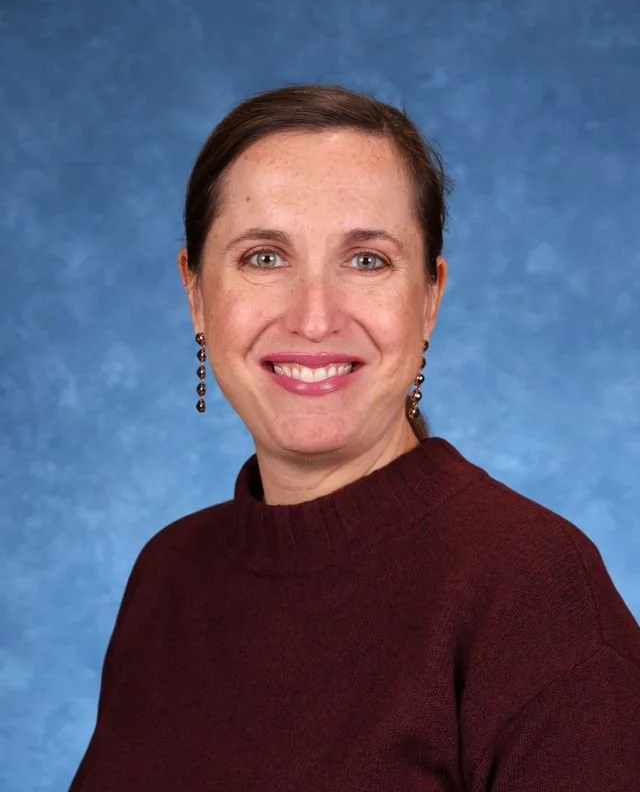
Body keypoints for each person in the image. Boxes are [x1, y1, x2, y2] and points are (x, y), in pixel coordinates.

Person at [68, 84, 640, 791]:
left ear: (429, 298)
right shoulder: (168, 575)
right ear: (196, 295)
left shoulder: (536, 592)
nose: (314, 318)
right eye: (264, 257)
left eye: (366, 260)